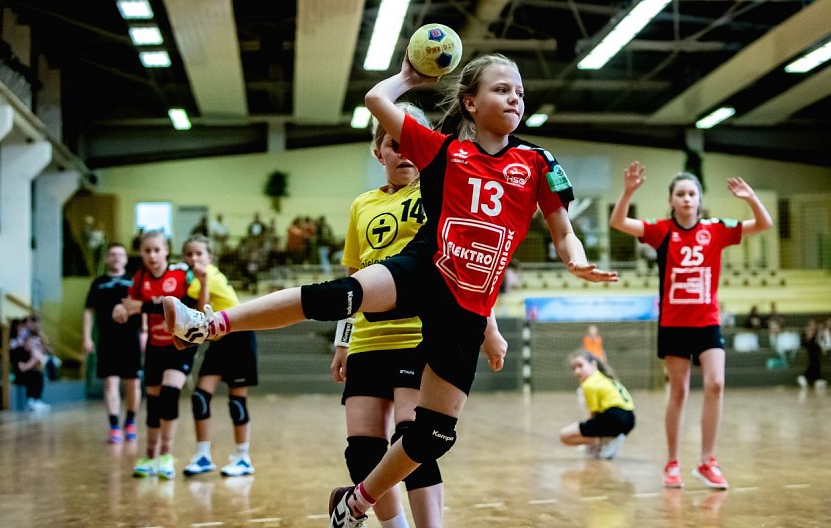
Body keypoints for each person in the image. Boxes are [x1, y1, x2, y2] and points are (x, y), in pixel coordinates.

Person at [162, 52, 616, 528]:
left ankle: (356, 502)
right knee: (337, 294)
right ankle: (207, 323)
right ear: (469, 103)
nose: (514, 97)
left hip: (469, 303)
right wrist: (409, 77)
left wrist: (577, 260)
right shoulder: (443, 150)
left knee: (435, 436)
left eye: (519, 91)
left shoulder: (538, 161)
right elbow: (376, 100)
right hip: (423, 267)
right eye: (501, 89)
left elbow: (563, 230)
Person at [328, 103, 457, 528]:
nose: (403, 153)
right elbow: (354, 276)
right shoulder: (361, 205)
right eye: (392, 145)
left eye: (410, 144)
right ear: (378, 151)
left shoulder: (436, 190)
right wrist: (343, 340)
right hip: (367, 338)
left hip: (417, 334)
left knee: (412, 440)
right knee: (362, 450)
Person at [610, 162, 772, 490]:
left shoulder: (716, 229)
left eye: (691, 193)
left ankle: (707, 461)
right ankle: (672, 462)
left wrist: (751, 198)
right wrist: (628, 192)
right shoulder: (661, 230)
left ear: (699, 199)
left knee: (716, 384)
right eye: (680, 194)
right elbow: (618, 222)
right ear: (671, 200)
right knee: (679, 391)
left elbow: (763, 224)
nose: (686, 199)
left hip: (707, 321)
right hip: (674, 322)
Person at [112, 230, 195, 480]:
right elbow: (130, 303)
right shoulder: (140, 278)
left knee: (170, 394)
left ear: (167, 250)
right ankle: (149, 455)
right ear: (140, 253)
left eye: (157, 250)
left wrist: (144, 307)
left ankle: (167, 455)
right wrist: (121, 308)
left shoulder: (180, 274)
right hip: (155, 348)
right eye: (147, 250)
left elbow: (183, 306)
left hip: (180, 345)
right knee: (154, 403)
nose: (152, 255)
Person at [180, 235, 260, 478]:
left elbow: (197, 315)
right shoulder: (195, 279)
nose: (194, 258)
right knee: (200, 397)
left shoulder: (208, 276)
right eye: (189, 254)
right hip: (219, 339)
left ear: (209, 257)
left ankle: (243, 458)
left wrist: (203, 283)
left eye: (199, 254)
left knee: (236, 400)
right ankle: (203, 455)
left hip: (239, 336)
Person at [83, 243, 142, 443]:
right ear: (107, 258)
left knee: (133, 382)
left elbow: (144, 307)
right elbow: (89, 311)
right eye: (112, 254)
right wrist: (87, 337)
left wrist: (146, 332)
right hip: (107, 338)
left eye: (120, 255)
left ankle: (131, 422)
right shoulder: (98, 282)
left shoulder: (134, 280)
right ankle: (114, 425)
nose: (116, 258)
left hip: (131, 337)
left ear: (126, 259)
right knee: (110, 381)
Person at [559, 350, 635, 460]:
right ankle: (604, 441)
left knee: (563, 436)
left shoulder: (589, 383)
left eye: (580, 366)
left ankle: (602, 441)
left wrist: (588, 435)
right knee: (592, 430)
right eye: (574, 368)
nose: (577, 371)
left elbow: (594, 414)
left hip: (614, 418)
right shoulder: (607, 378)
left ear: (593, 364)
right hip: (630, 420)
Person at [797, 319, 824, 389]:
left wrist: (819, 333)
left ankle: (815, 378)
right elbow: (804, 343)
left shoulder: (817, 334)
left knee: (815, 361)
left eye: (814, 325)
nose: (813, 327)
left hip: (814, 350)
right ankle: (808, 377)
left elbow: (818, 343)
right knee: (815, 360)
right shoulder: (805, 333)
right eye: (811, 325)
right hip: (808, 348)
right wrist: (809, 335)